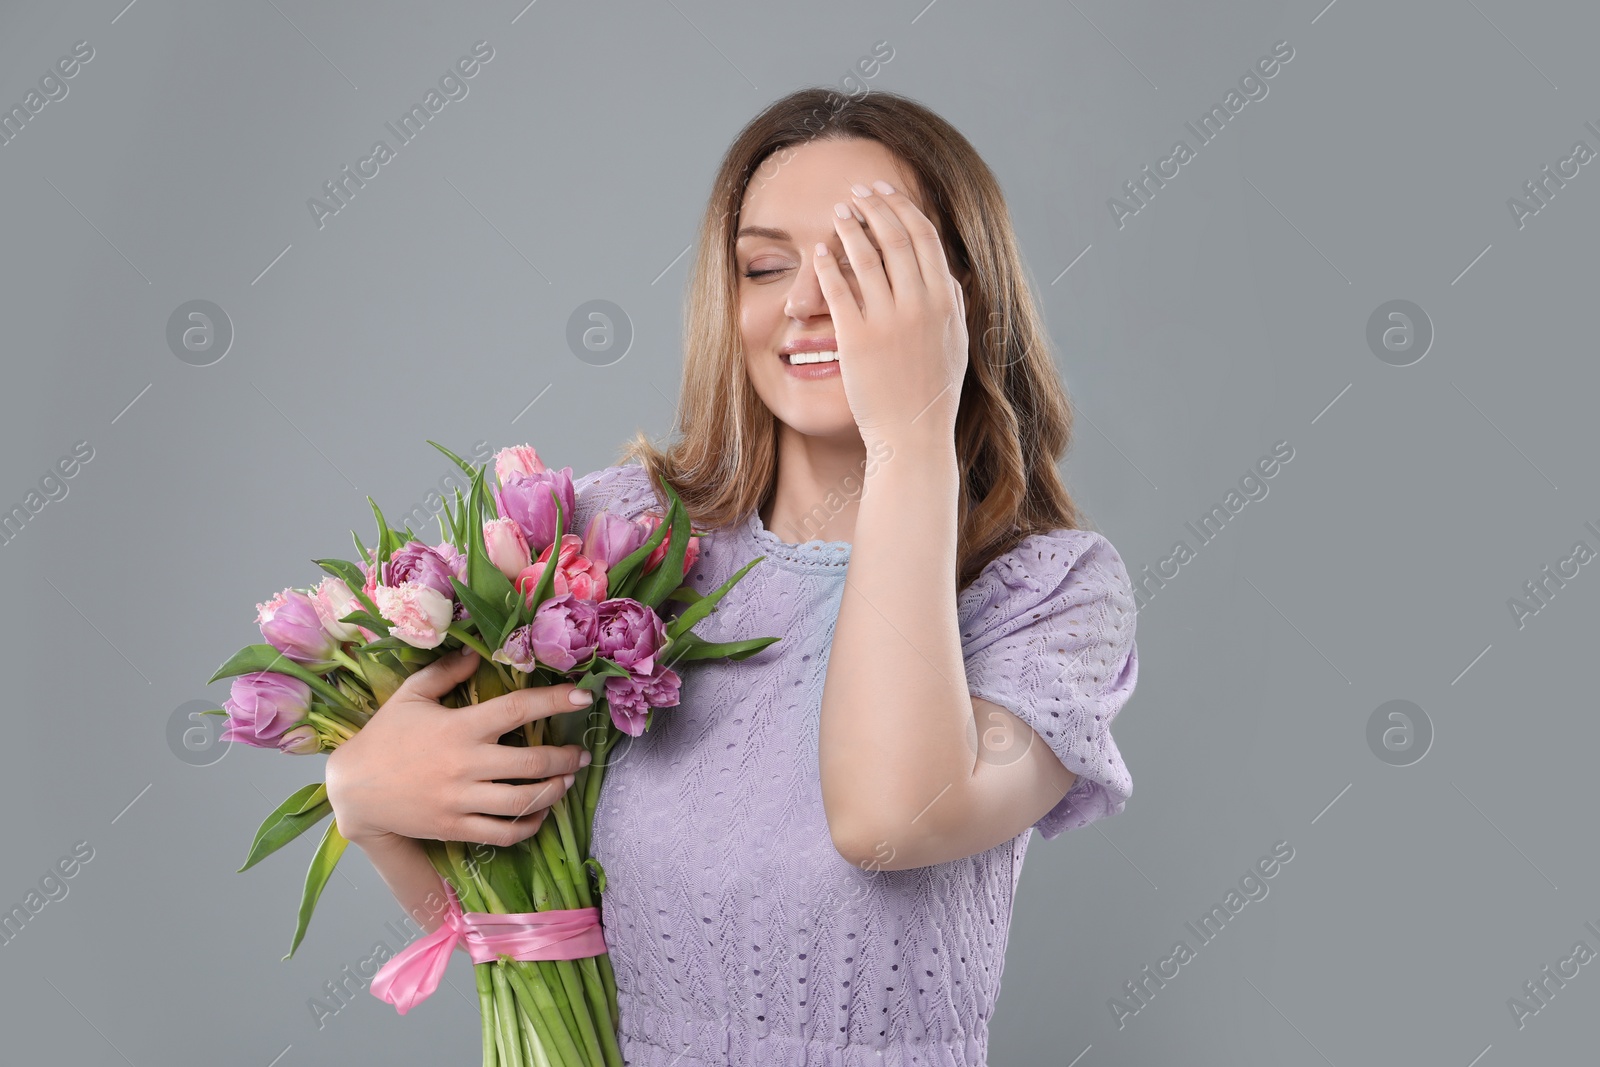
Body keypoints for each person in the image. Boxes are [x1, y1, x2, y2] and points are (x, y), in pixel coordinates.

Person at [326, 86, 1138, 1066]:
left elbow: (889, 818)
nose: (801, 301)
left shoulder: (1046, 596)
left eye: (863, 263)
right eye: (763, 265)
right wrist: (366, 797)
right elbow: (517, 934)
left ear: (958, 297)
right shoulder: (608, 540)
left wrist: (912, 435)